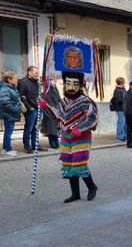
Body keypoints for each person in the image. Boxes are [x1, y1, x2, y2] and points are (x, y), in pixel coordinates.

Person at [40, 71, 98, 203]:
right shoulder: (63, 102)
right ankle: (75, 194)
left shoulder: (86, 101)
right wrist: (45, 106)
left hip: (81, 137)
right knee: (68, 164)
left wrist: (78, 129)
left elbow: (93, 120)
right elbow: (58, 116)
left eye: (75, 84)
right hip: (66, 137)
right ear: (64, 85)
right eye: (68, 84)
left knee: (79, 164)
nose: (71, 87)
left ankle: (92, 186)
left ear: (81, 86)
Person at [17, 66, 47, 153]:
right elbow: (21, 96)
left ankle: (35, 145)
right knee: (29, 128)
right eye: (36, 73)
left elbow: (38, 95)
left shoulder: (37, 82)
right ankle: (27, 146)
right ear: (30, 73)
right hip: (30, 109)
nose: (38, 75)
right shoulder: (23, 82)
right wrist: (29, 107)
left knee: (36, 128)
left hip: (38, 108)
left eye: (38, 73)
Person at [0, 71, 21, 157]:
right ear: (9, 80)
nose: (17, 80)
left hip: (11, 114)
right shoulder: (5, 89)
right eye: (15, 79)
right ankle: (6, 149)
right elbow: (4, 101)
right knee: (8, 132)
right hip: (9, 114)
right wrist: (15, 109)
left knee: (9, 132)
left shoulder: (11, 88)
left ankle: (7, 148)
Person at [41, 79, 61, 149]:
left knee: (55, 127)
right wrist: (54, 108)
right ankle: (52, 143)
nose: (56, 79)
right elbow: (47, 99)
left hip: (56, 109)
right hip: (50, 110)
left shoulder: (54, 86)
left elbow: (59, 98)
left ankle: (56, 142)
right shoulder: (47, 87)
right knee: (51, 128)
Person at [112, 77, 127, 142]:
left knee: (125, 123)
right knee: (121, 122)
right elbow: (118, 100)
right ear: (121, 82)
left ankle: (125, 136)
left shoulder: (123, 89)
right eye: (124, 81)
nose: (124, 83)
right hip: (120, 108)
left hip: (125, 108)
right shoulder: (117, 90)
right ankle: (119, 137)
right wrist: (126, 100)